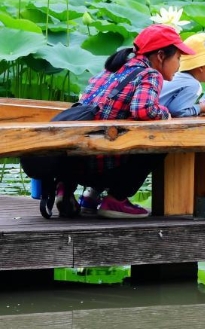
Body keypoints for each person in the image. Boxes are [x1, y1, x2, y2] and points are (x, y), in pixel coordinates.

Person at [57, 23, 196, 219]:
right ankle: (117, 199)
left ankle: (66, 188)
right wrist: (166, 114)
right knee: (161, 140)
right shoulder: (150, 74)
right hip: (100, 165)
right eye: (178, 58)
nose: (179, 65)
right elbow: (143, 109)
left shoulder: (113, 69)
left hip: (72, 161)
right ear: (161, 56)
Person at [160, 32, 205, 117]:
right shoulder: (194, 85)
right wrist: (199, 108)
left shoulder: (177, 76)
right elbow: (177, 111)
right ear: (201, 66)